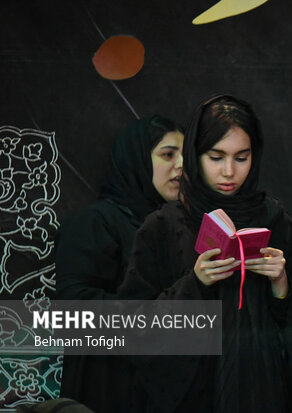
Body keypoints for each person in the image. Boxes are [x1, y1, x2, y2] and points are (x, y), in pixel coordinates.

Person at [119, 95, 292, 412]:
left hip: (265, 393)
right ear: (195, 155)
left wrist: (282, 289)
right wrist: (195, 284)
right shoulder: (162, 227)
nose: (229, 171)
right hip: (193, 399)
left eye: (241, 158)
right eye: (216, 157)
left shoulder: (276, 222)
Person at [54, 115, 184, 412]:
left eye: (185, 157)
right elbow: (72, 309)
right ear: (136, 159)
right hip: (107, 388)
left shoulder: (178, 229)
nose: (181, 166)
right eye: (167, 154)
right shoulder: (96, 222)